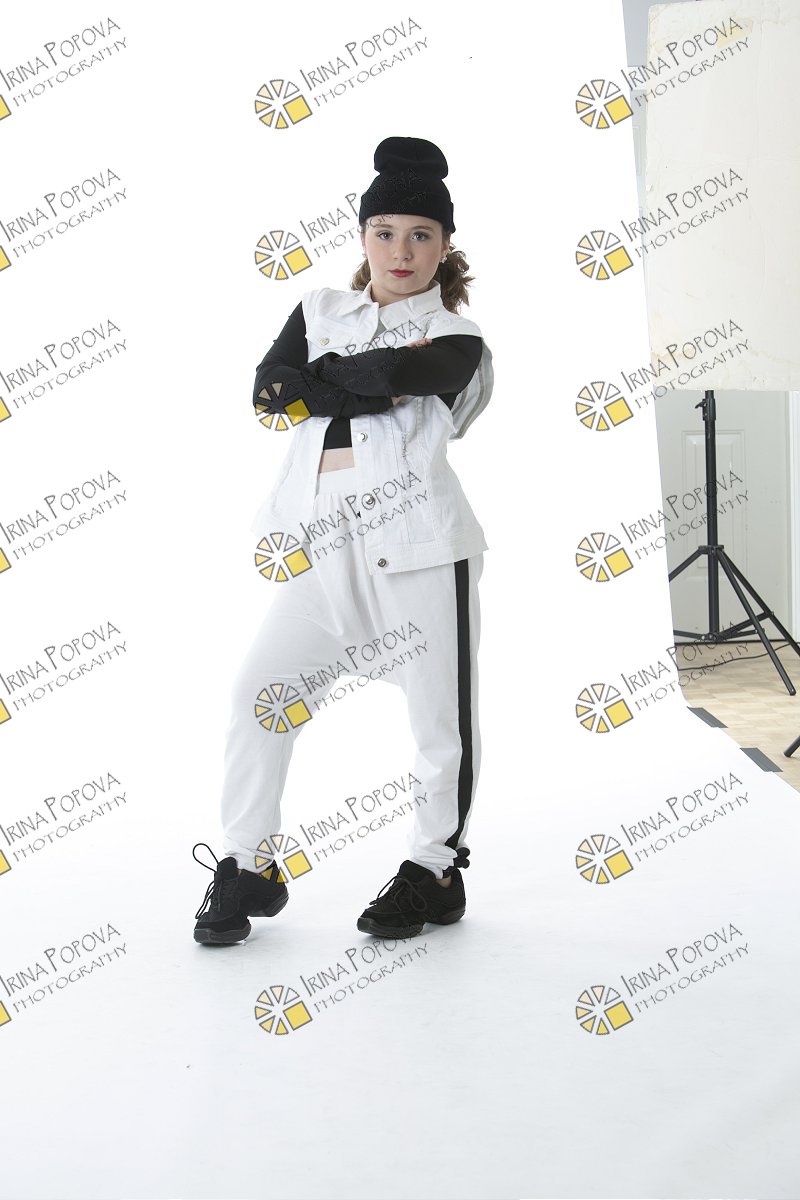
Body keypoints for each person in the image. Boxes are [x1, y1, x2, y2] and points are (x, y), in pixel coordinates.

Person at [192, 135, 493, 945]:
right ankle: (247, 865)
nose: (402, 251)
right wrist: (353, 384)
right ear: (363, 237)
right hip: (319, 554)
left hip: (419, 551)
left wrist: (324, 382)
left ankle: (435, 871)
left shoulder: (460, 340)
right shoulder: (320, 310)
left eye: (421, 235)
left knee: (440, 722)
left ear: (445, 246)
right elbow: (268, 395)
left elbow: (386, 377)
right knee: (261, 697)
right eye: (385, 232)